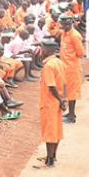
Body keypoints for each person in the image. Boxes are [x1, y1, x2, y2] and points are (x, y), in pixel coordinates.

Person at [39, 38, 66, 167]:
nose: (41, 50)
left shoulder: (48, 66)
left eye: (42, 48)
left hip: (50, 102)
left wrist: (60, 99)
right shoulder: (58, 62)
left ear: (48, 50)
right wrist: (63, 99)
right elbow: (64, 83)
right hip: (57, 101)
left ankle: (49, 159)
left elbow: (51, 86)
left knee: (50, 131)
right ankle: (53, 155)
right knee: (56, 129)